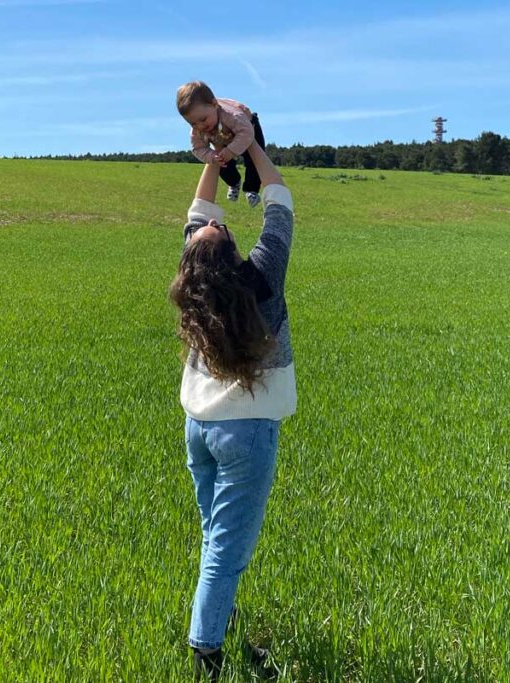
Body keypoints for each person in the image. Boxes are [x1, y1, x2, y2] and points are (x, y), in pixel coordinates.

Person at [168, 141, 295, 681]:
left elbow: (199, 216)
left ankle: (216, 618)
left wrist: (213, 165)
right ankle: (207, 654)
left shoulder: (192, 285)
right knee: (227, 545)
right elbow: (280, 206)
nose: (206, 226)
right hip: (246, 433)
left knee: (214, 536)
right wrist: (253, 148)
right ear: (230, 252)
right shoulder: (259, 280)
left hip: (200, 425)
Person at [176, 80, 268, 208]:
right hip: (221, 135)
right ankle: (234, 182)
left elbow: (246, 133)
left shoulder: (233, 116)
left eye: (203, 119)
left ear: (214, 105)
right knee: (219, 161)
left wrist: (231, 151)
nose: (200, 126)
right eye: (193, 123)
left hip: (247, 128)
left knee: (254, 159)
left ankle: (251, 189)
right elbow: (198, 148)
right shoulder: (198, 129)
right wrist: (211, 156)